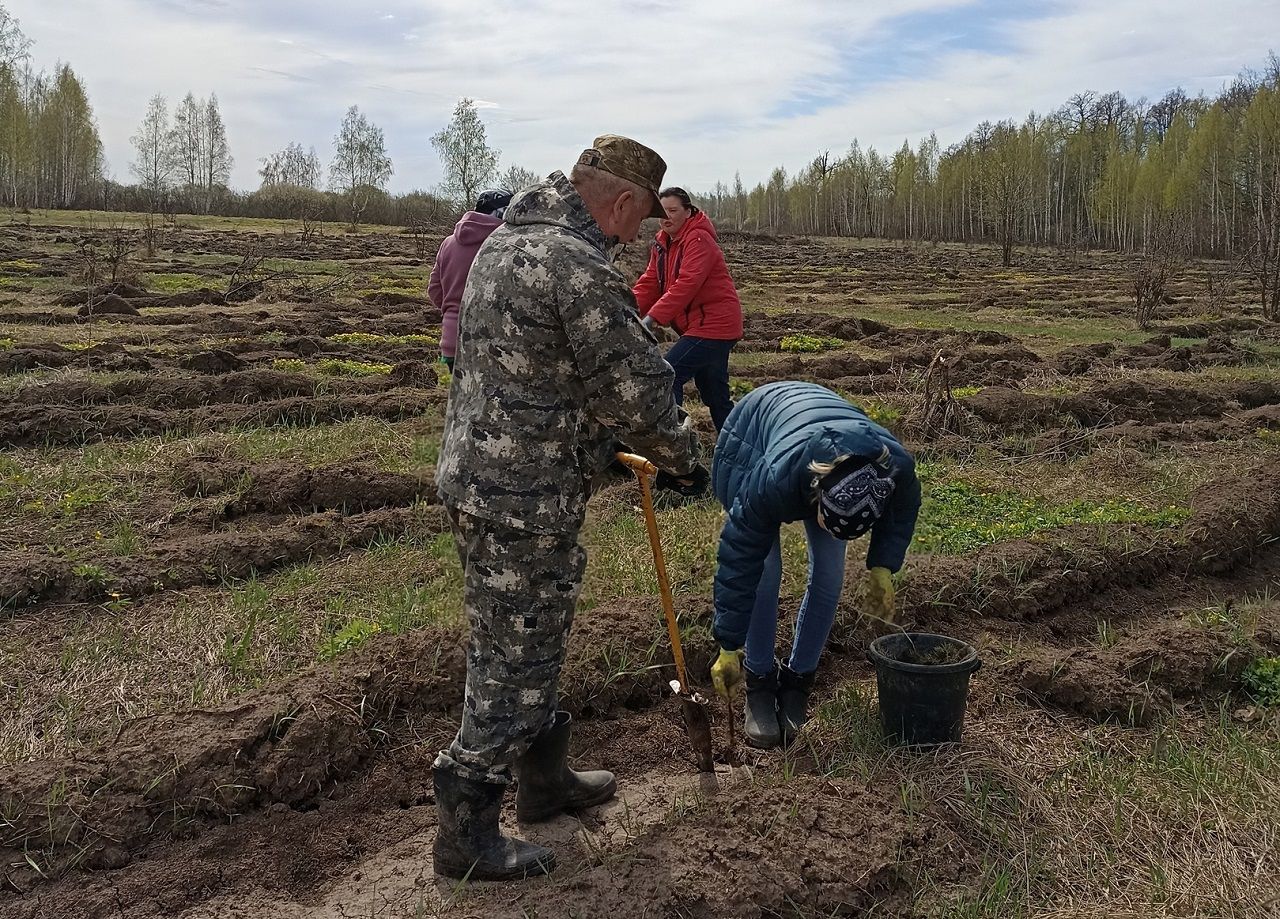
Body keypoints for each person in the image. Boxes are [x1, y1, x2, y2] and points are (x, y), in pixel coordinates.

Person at [432, 135, 708, 881]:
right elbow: (634, 388)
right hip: (522, 495)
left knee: (530, 635)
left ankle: (544, 781)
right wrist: (688, 461)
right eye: (639, 221)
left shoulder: (507, 239)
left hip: (487, 479)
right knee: (513, 654)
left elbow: (552, 369)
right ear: (620, 201)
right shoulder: (577, 266)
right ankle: (465, 831)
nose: (638, 237)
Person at [706, 381, 921, 749]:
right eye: (824, 519)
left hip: (819, 431)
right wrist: (728, 647)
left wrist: (883, 567)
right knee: (765, 574)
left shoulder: (895, 467)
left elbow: (901, 514)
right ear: (816, 495)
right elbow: (739, 559)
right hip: (753, 437)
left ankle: (798, 682)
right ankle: (759, 683)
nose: (825, 530)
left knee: (829, 574)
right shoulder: (771, 481)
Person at [632, 187, 743, 432]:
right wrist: (627, 310)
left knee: (668, 376)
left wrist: (650, 319)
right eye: (663, 212)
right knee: (716, 396)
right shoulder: (662, 242)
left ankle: (674, 443)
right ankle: (739, 447)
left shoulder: (698, 239)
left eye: (673, 211)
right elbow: (650, 282)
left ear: (688, 211)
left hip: (714, 325)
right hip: (701, 326)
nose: (667, 217)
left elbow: (687, 284)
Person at [428, 188, 513, 370]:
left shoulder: (448, 243)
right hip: (489, 341)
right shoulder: (503, 244)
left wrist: (452, 311)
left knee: (459, 396)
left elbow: (435, 289)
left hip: (451, 341)